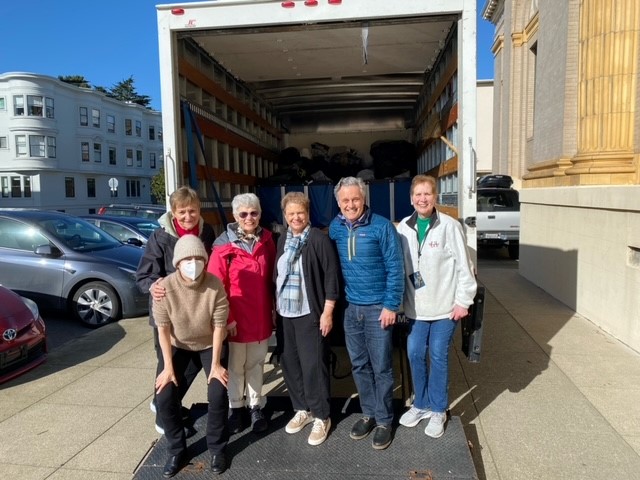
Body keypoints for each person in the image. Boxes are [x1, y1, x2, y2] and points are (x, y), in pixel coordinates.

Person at [396, 175, 477, 438]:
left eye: (427, 194)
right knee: (415, 352)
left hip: (445, 308)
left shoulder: (449, 227)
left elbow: (464, 266)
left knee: (439, 354)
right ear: (411, 198)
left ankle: (439, 409)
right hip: (416, 309)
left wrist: (463, 301)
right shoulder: (403, 229)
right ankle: (421, 404)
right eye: (418, 194)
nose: (422, 199)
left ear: (435, 197)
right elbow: (400, 269)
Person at [328, 176, 404, 450]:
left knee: (381, 366)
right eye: (345, 200)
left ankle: (384, 420)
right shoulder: (335, 228)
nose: (350, 204)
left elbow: (396, 267)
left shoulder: (382, 227)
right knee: (359, 365)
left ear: (364, 199)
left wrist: (391, 305)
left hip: (377, 309)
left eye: (355, 199)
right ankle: (369, 413)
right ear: (338, 202)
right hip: (351, 309)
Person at [136, 186, 216, 433]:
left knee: (192, 363)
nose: (187, 216)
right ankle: (164, 420)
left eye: (192, 210)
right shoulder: (161, 237)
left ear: (199, 210)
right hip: (168, 314)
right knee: (168, 364)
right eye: (182, 212)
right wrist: (153, 286)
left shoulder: (207, 232)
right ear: (173, 212)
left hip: (195, 312)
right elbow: (144, 276)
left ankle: (163, 403)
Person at [154, 234, 230, 477]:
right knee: (164, 396)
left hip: (210, 343)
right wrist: (167, 368)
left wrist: (216, 364)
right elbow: (162, 331)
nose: (193, 263)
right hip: (179, 345)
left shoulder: (214, 284)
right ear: (177, 262)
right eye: (188, 258)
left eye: (199, 258)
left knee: (217, 392)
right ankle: (177, 449)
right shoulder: (164, 288)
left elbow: (220, 325)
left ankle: (218, 448)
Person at [274, 192, 340, 446]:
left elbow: (331, 277)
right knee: (290, 364)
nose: (295, 217)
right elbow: (276, 276)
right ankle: (302, 409)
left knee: (313, 366)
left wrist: (327, 311)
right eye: (291, 214)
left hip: (308, 313)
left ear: (308, 213)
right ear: (285, 216)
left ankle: (322, 415)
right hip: (284, 314)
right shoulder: (283, 239)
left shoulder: (317, 239)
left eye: (299, 212)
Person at [207, 193, 275, 434]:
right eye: (243, 214)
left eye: (254, 213)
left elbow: (271, 279)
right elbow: (216, 287)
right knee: (236, 366)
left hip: (261, 317)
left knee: (256, 363)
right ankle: (236, 407)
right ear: (235, 216)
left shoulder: (267, 239)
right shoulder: (223, 247)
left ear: (260, 214)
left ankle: (256, 405)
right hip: (235, 319)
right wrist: (227, 319)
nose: (249, 218)